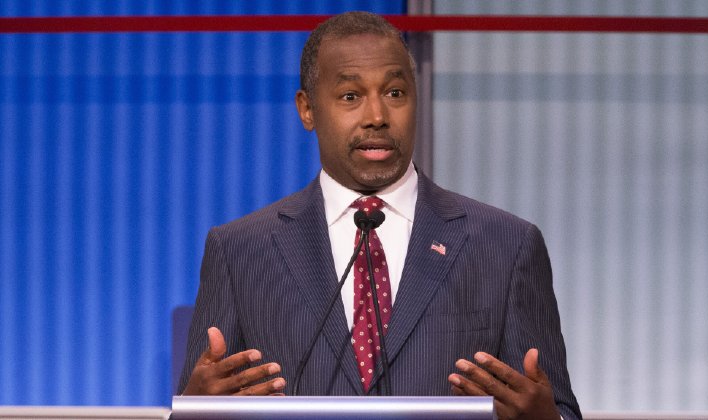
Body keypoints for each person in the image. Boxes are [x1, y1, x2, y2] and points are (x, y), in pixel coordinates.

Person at [177, 11, 581, 419]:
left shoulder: (505, 246)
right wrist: (191, 413)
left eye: (395, 92)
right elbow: (204, 403)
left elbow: (556, 406)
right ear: (307, 109)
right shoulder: (240, 251)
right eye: (350, 96)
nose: (377, 116)